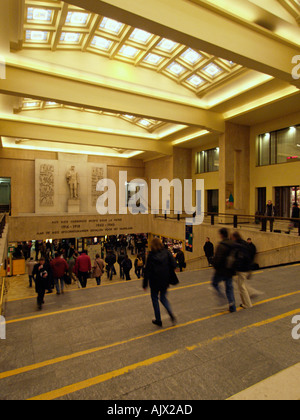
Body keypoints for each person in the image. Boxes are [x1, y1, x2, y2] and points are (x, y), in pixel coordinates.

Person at [143, 238, 177, 327]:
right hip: (165, 280)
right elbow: (174, 264)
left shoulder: (151, 256)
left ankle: (158, 320)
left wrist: (145, 284)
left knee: (155, 299)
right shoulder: (167, 252)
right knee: (163, 298)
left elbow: (147, 270)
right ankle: (171, 314)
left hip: (154, 281)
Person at [211, 228, 236, 313]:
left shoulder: (221, 246)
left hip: (221, 270)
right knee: (229, 288)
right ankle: (232, 307)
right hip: (230, 270)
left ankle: (223, 301)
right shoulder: (233, 244)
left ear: (221, 235)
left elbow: (218, 259)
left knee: (214, 283)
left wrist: (214, 264)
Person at [231, 232, 253, 309]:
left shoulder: (238, 245)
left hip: (242, 269)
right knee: (240, 285)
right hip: (246, 267)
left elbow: (240, 258)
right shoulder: (244, 243)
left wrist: (236, 267)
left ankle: (248, 304)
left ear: (234, 237)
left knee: (242, 287)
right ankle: (245, 303)